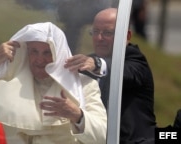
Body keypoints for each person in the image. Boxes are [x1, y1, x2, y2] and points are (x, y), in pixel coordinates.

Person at [0, 22, 107, 144]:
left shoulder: (83, 84)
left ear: (58, 55)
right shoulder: (8, 82)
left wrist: (76, 115)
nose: (40, 60)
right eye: (34, 51)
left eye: (47, 53)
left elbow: (103, 136)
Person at [65, 8, 156, 144]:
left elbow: (124, 72)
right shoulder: (88, 62)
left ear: (127, 36)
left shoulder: (136, 60)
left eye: (107, 33)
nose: (99, 38)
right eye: (95, 32)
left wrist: (96, 64)